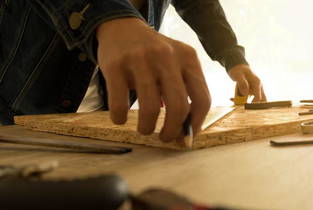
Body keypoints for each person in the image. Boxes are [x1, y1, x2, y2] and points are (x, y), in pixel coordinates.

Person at [0, 0, 266, 143]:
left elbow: (200, 5)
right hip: (11, 119)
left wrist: (233, 57)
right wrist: (108, 16)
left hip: (99, 126)